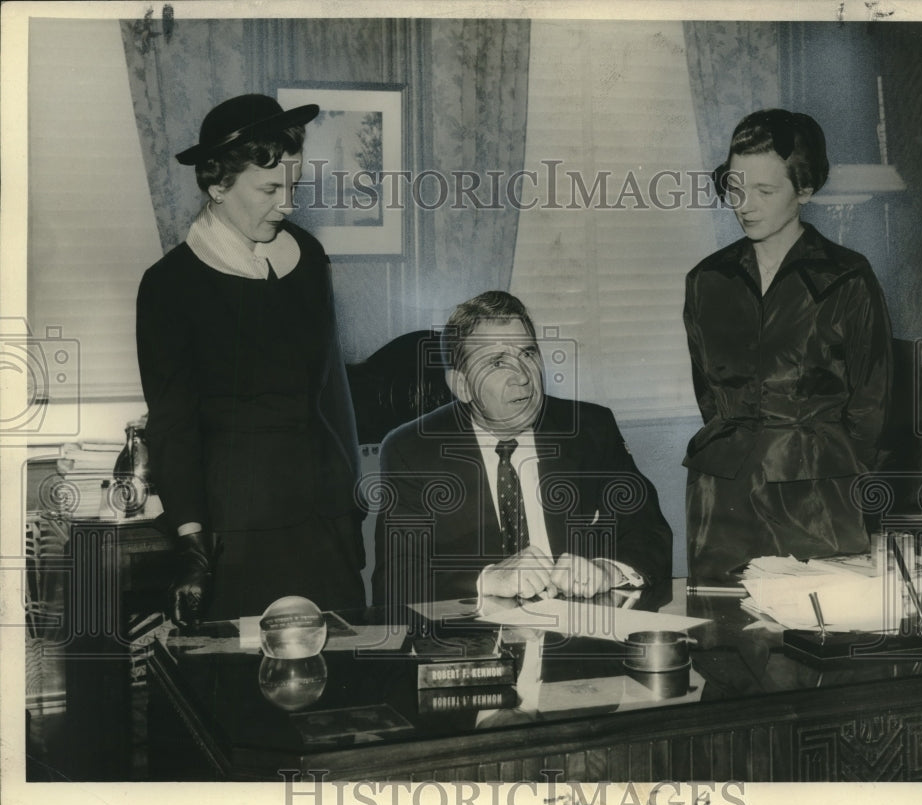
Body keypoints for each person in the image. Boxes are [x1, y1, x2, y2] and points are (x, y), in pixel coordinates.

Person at [137, 94, 366, 625]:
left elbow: (332, 392)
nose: (286, 203)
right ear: (217, 186)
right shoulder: (170, 286)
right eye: (269, 189)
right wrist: (192, 544)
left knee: (349, 680)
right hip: (236, 528)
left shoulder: (307, 257)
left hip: (324, 517)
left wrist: (349, 503)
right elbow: (173, 426)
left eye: (293, 186)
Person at [683, 109, 893, 586]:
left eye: (764, 190)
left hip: (818, 498)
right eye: (735, 187)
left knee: (813, 636)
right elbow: (709, 395)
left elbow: (871, 407)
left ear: (804, 191)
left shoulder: (846, 278)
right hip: (723, 499)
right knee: (721, 635)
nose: (745, 204)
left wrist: (833, 472)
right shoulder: (706, 280)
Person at [372, 290, 673, 607]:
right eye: (497, 362)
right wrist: (487, 579)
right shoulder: (412, 449)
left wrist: (608, 570)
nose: (523, 377)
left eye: (528, 354)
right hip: (477, 641)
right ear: (461, 385)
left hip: (580, 636)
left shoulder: (590, 429)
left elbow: (650, 533)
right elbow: (394, 580)